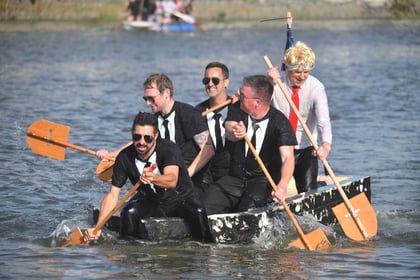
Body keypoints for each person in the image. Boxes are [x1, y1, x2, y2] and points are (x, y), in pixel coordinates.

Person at [84, 112, 214, 243]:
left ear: (156, 136)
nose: (141, 142)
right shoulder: (124, 157)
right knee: (128, 213)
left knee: (198, 211)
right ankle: (132, 251)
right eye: (137, 137)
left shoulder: (168, 148)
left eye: (148, 138)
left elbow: (172, 180)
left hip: (181, 199)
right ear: (132, 135)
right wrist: (98, 227)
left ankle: (206, 248)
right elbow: (113, 195)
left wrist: (154, 178)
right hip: (153, 201)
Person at [96, 73, 215, 196]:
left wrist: (187, 173)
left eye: (151, 98)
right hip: (167, 179)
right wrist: (111, 155)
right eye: (145, 99)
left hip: (196, 180)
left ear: (166, 93)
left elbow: (208, 149)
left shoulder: (189, 114)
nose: (148, 103)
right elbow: (140, 142)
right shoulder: (154, 120)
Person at [202, 75, 297, 215]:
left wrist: (282, 186)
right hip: (235, 177)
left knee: (248, 212)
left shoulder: (280, 123)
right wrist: (235, 130)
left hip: (262, 180)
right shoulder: (237, 108)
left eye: (243, 95)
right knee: (204, 207)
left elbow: (288, 158)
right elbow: (228, 127)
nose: (239, 96)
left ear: (257, 102)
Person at [267, 41, 333, 194]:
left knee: (308, 192)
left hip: (305, 148)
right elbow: (260, 104)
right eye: (297, 72)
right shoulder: (277, 82)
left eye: (306, 71)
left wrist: (326, 145)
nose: (302, 76)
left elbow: (323, 121)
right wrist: (270, 82)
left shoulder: (316, 88)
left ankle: (315, 196)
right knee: (271, 191)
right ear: (288, 68)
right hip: (279, 146)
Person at [195, 62, 235, 198]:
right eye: (206, 80)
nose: (210, 84)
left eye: (215, 80)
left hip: (233, 172)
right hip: (207, 172)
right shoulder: (197, 113)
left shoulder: (238, 109)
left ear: (226, 82)